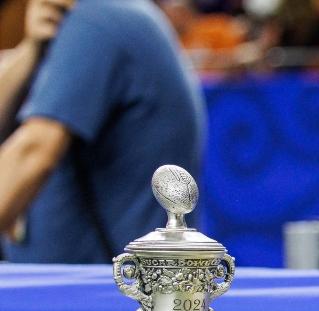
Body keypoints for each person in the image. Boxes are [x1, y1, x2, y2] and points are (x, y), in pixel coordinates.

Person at [0, 0, 204, 263]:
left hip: (102, 291)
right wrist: (30, 50)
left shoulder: (98, 19)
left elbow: (33, 152)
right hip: (88, 287)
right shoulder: (91, 20)